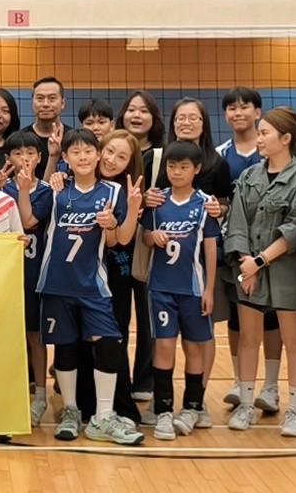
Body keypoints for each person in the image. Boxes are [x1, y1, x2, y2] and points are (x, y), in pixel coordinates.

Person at [36, 129, 144, 447]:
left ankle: (104, 416)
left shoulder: (114, 191)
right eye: (76, 152)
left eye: (88, 152)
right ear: (66, 158)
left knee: (108, 343)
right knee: (66, 347)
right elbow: (30, 218)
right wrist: (51, 172)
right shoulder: (57, 187)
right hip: (56, 282)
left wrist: (129, 212)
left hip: (94, 284)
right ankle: (71, 411)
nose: (83, 157)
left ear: (97, 155)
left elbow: (119, 240)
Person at [223, 107, 296, 437]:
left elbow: (295, 228)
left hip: (287, 271)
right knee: (249, 338)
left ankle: (294, 411)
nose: (259, 138)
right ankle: (246, 404)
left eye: (265, 133)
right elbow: (237, 223)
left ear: (286, 138)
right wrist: (246, 263)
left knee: (294, 341)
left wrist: (260, 261)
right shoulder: (249, 177)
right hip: (248, 268)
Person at [140, 141, 219, 441]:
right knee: (164, 346)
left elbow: (210, 249)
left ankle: (192, 407)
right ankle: (163, 410)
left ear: (196, 169)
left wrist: (209, 289)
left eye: (183, 167)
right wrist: (153, 236)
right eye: (172, 166)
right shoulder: (158, 201)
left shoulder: (205, 204)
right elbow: (145, 237)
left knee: (194, 348)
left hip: (194, 289)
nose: (177, 172)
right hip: (161, 288)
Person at [214, 87, 283, 418]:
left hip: (272, 247)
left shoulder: (271, 149)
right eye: (231, 107)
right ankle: (240, 382)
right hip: (236, 248)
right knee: (237, 317)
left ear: (258, 113)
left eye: (245, 107)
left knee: (272, 316)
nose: (238, 112)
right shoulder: (220, 155)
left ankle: (270, 386)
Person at [167, 97, 236, 422]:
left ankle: (198, 400)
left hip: (204, 262)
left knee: (202, 333)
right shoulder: (163, 159)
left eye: (193, 117)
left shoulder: (217, 163)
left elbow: (226, 203)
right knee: (167, 338)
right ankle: (165, 400)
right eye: (181, 117)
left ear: (204, 123)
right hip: (168, 264)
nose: (187, 122)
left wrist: (220, 208)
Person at [114, 89, 166, 405]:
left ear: (153, 118)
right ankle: (115, 378)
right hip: (115, 246)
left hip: (148, 245)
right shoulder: (111, 153)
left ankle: (145, 380)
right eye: (132, 109)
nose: (137, 115)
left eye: (144, 110)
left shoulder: (163, 155)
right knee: (116, 317)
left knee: (148, 318)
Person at [0, 130, 55, 425]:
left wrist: (22, 191)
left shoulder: (46, 191)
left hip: (35, 274)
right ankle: (12, 389)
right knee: (9, 334)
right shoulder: (0, 190)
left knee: (35, 335)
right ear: (8, 158)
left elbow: (27, 221)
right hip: (4, 275)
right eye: (18, 154)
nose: (25, 159)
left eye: (30, 153)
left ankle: (41, 395)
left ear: (39, 157)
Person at [22, 77, 67, 182]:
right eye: (40, 98)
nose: (45, 104)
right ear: (32, 102)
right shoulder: (21, 139)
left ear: (63, 103)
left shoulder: (73, 139)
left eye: (52, 98)